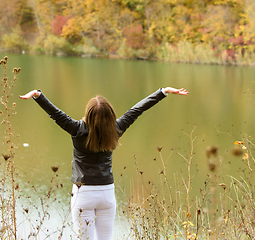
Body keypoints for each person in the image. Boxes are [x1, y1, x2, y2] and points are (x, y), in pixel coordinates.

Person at [19, 87, 188, 239]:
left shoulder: (77, 129)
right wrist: (162, 92)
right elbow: (136, 110)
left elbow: (56, 114)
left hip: (83, 193)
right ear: (111, 115)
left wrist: (38, 96)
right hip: (107, 193)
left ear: (89, 113)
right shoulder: (116, 129)